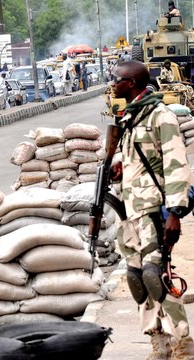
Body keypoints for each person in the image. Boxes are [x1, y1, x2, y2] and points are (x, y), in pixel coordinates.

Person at [110, 60, 194, 359]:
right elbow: (135, 160)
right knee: (137, 279)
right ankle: (158, 341)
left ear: (131, 83)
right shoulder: (129, 118)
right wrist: (119, 168)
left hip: (153, 210)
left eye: (116, 79)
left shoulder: (161, 116)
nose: (112, 83)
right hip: (130, 211)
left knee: (155, 276)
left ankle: (184, 341)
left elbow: (177, 167)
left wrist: (175, 213)